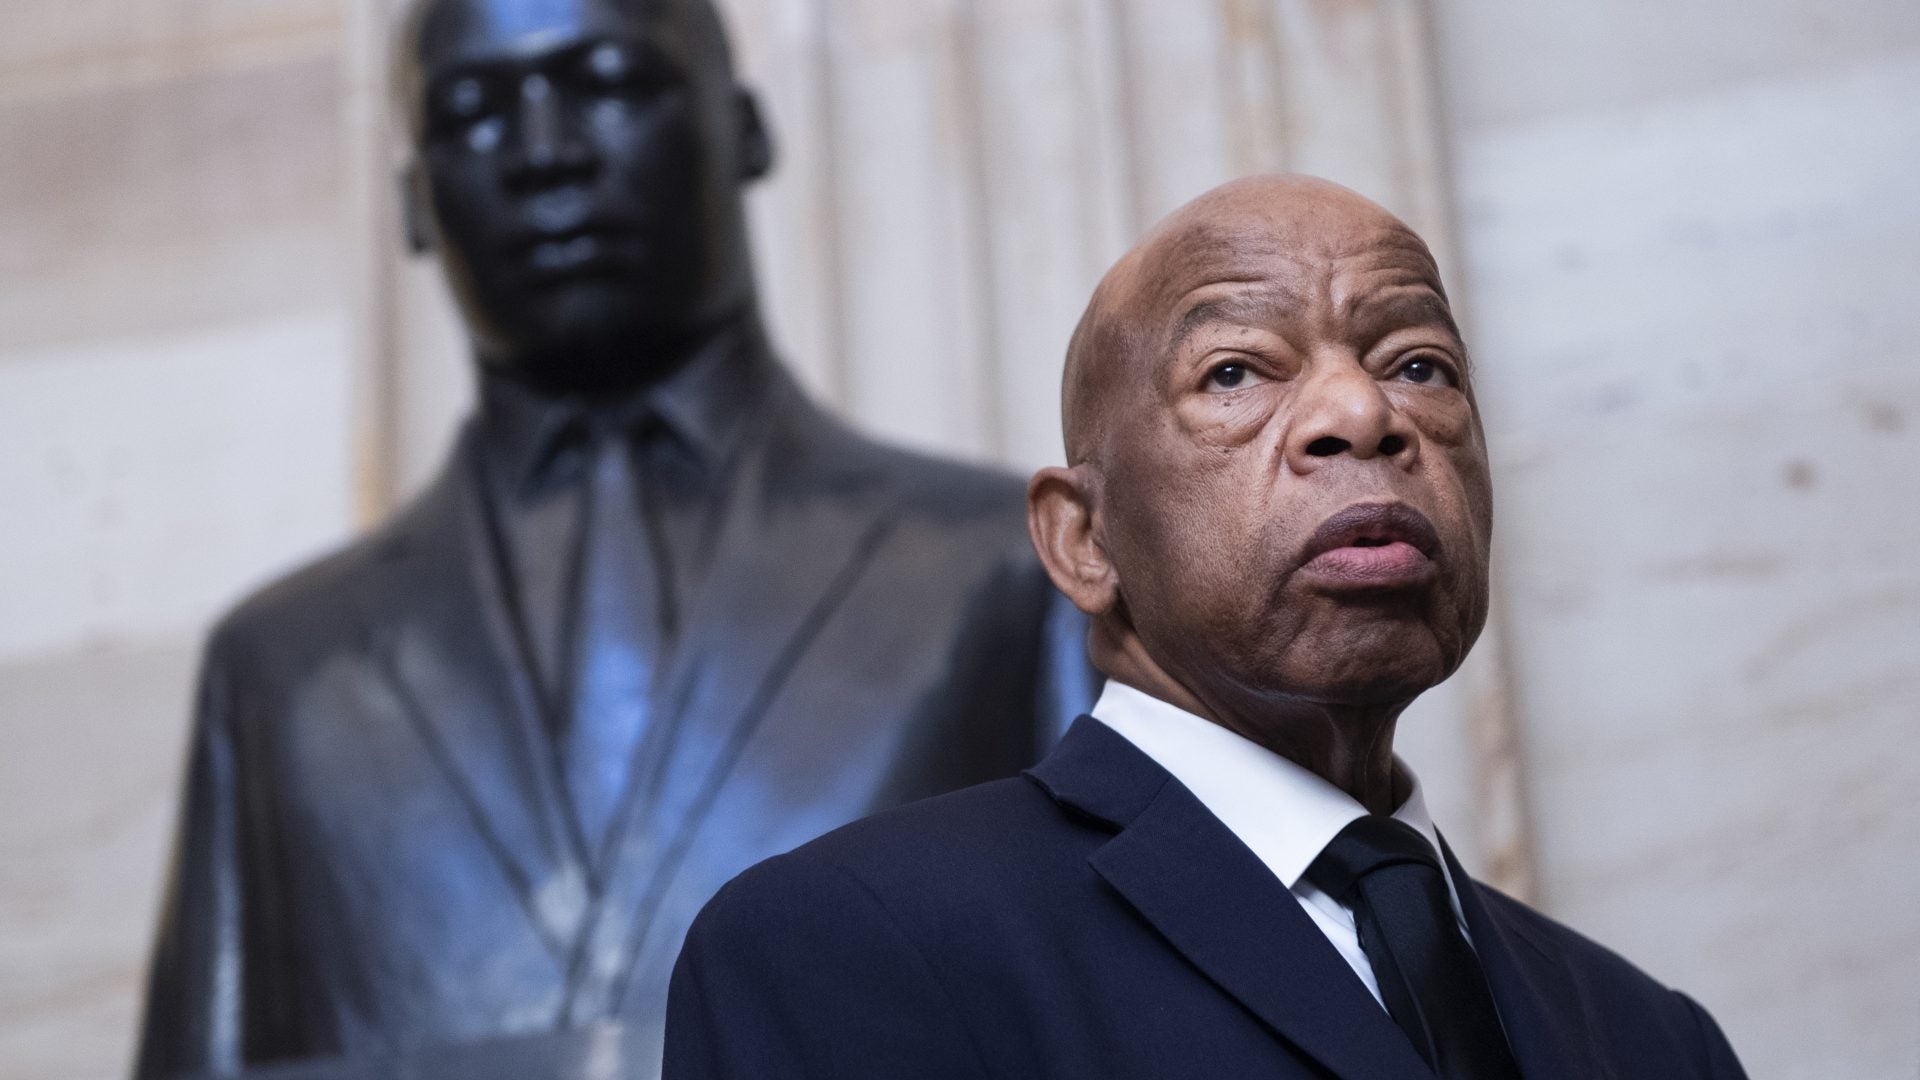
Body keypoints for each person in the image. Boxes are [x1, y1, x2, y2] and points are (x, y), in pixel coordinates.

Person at [132, 0, 1090, 1074]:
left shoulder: (1003, 574)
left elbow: (1123, 1012)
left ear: (745, 129)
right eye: (474, 112)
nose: (545, 152)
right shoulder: (281, 672)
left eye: (611, 84)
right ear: (412, 202)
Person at [663, 175, 1750, 1080]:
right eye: (1234, 372)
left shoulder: (1654, 1040)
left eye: (1419, 367)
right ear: (1084, 538)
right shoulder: (845, 945)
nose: (1363, 415)